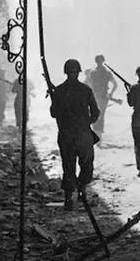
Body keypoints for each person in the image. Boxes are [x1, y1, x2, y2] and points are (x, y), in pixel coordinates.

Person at [49, 59, 100, 210]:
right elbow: (96, 113)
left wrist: (55, 98)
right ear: (78, 72)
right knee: (86, 164)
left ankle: (68, 198)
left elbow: (53, 113)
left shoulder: (59, 91)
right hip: (83, 134)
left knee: (68, 165)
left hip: (66, 134)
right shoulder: (86, 90)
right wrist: (86, 123)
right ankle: (82, 190)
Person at [87, 54, 118, 136]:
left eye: (100, 61)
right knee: (96, 114)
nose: (99, 62)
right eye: (98, 61)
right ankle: (96, 135)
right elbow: (88, 84)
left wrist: (110, 94)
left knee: (100, 115)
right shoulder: (93, 72)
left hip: (102, 97)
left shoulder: (106, 73)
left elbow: (115, 84)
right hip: (95, 96)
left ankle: (98, 135)